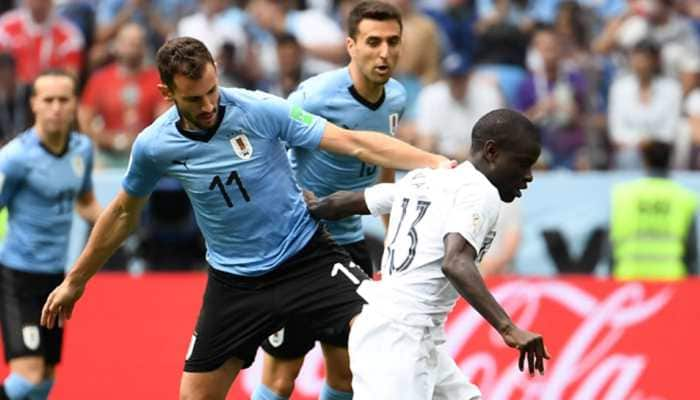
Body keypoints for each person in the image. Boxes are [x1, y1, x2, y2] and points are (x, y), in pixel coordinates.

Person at [39, 37, 451, 400]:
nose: (208, 105)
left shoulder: (259, 109)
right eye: (193, 99)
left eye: (212, 91)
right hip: (234, 283)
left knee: (382, 336)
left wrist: (433, 162)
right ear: (167, 93)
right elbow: (124, 212)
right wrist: (76, 281)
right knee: (197, 395)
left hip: (306, 258)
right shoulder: (154, 146)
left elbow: (352, 142)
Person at [305, 109, 549, 399]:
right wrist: (508, 328)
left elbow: (355, 201)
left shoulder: (427, 179)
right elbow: (455, 261)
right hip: (398, 341)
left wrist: (317, 206)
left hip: (409, 334)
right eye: (523, 164)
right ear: (492, 152)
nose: (529, 176)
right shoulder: (481, 191)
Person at [254, 2, 406, 399]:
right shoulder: (315, 96)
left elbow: (385, 163)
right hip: (298, 248)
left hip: (350, 245)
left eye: (393, 42)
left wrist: (393, 240)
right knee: (281, 379)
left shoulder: (396, 99)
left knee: (347, 376)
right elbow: (267, 148)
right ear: (351, 45)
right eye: (373, 42)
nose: (384, 52)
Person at [0, 69, 101, 400]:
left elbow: (84, 201)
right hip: (17, 277)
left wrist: (114, 222)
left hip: (57, 281)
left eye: (64, 99)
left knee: (45, 377)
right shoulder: (15, 158)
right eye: (48, 100)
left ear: (74, 104)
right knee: (27, 375)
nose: (56, 107)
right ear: (34, 105)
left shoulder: (82, 150)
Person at [79, 23, 167, 169]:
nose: (133, 46)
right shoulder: (99, 79)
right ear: (116, 46)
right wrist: (108, 139)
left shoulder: (158, 80)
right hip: (107, 153)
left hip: (146, 153)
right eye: (128, 41)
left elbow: (163, 122)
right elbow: (84, 121)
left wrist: (137, 140)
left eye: (138, 42)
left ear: (145, 47)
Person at [610, 140, 698, 280]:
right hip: (672, 280)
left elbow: (611, 246)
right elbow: (692, 252)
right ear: (670, 161)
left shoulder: (623, 195)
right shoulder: (684, 198)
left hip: (629, 279)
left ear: (645, 161)